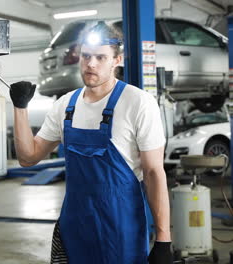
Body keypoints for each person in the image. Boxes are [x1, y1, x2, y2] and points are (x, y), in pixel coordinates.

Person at [9, 22, 172, 264]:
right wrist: (20, 107)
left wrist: (163, 239)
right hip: (75, 227)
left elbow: (153, 173)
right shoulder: (66, 105)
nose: (91, 64)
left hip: (120, 229)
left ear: (117, 60)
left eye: (100, 57)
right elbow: (28, 157)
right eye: (86, 56)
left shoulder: (138, 103)